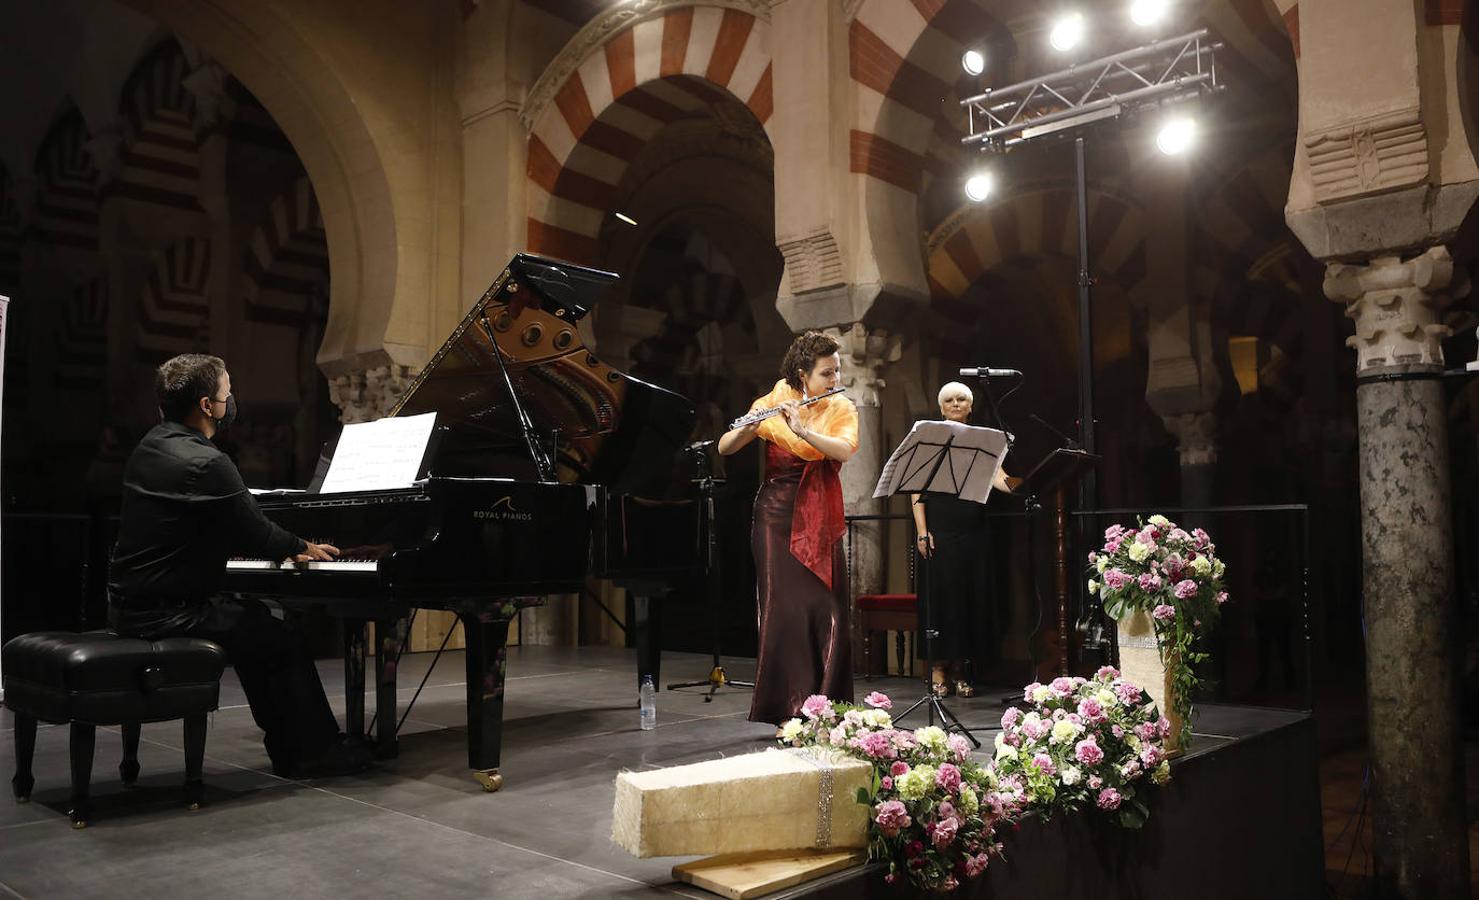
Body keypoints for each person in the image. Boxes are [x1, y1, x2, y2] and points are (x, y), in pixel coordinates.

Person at [108, 353, 370, 778]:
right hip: (168, 613)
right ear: (208, 406)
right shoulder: (208, 461)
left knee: (256, 625)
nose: (234, 401)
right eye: (228, 393)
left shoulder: (151, 446)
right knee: (278, 636)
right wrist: (301, 546)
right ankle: (313, 751)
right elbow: (256, 532)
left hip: (132, 605)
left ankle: (291, 747)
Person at [719, 331, 859, 725]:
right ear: (803, 374)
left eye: (836, 371)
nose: (833, 379)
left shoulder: (841, 407)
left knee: (827, 609)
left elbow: (843, 449)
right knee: (782, 611)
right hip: (774, 515)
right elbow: (724, 447)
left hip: (818, 514)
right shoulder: (774, 398)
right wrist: (751, 427)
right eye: (826, 373)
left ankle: (826, 707)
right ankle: (787, 710)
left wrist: (803, 430)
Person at [909, 381, 1010, 698]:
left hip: (974, 533)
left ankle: (960, 669)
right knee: (942, 601)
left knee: (969, 601)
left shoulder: (983, 442)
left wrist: (1030, 482)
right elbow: (916, 490)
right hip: (940, 532)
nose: (955, 404)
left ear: (971, 406)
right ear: (941, 408)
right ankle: (938, 669)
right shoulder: (929, 441)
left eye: (961, 399)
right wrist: (922, 531)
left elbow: (1000, 479)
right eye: (949, 400)